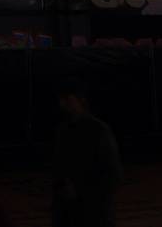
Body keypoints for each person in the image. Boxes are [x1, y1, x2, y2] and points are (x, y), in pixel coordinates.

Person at [51, 87, 122, 227]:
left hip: (93, 211)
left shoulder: (98, 130)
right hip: (69, 210)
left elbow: (112, 173)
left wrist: (81, 190)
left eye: (69, 100)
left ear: (81, 101)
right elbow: (59, 167)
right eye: (62, 101)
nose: (63, 105)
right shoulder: (63, 131)